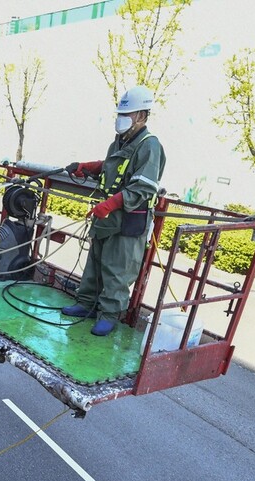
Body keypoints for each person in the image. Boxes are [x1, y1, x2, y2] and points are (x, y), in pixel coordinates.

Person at [63, 85, 166, 336]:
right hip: (108, 218)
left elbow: (143, 186)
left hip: (129, 219)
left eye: (127, 114)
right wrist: (88, 167)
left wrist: (109, 204)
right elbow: (113, 166)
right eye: (120, 113)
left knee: (117, 269)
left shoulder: (150, 146)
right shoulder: (121, 140)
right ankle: (85, 303)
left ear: (141, 115)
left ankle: (109, 315)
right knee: (95, 262)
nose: (121, 119)